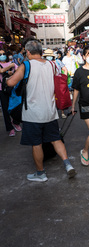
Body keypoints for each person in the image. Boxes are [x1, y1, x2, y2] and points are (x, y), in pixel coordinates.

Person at [6, 39, 76, 182]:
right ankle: (68, 165)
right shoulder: (52, 64)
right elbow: (62, 75)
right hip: (50, 111)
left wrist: (8, 78)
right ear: (42, 52)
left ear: (28, 52)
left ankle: (40, 173)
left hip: (32, 113)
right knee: (56, 139)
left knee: (36, 144)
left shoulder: (26, 65)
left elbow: (11, 82)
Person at [0, 49, 20, 137]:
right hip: (2, 89)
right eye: (0, 54)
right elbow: (1, 71)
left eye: (4, 53)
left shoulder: (12, 63)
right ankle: (10, 128)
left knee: (16, 106)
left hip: (12, 88)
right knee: (5, 109)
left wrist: (13, 72)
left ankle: (15, 122)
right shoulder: (11, 64)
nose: (3, 55)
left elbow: (19, 70)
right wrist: (10, 66)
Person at [43, 49, 69, 118]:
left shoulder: (58, 61)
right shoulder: (44, 63)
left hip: (58, 81)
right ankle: (53, 113)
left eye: (49, 55)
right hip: (48, 82)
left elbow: (65, 69)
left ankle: (62, 112)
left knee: (60, 97)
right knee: (51, 97)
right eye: (47, 56)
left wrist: (64, 78)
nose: (48, 57)